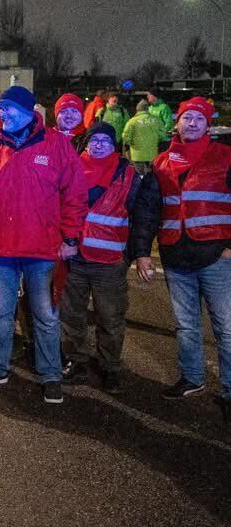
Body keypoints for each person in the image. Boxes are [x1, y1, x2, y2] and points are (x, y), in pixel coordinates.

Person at [0, 86, 87, 404]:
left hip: (42, 247)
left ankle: (50, 375)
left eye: (9, 108)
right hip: (1, 248)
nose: (3, 114)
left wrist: (70, 236)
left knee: (45, 315)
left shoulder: (56, 145)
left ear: (27, 111)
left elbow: (75, 194)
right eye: (1, 109)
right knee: (0, 314)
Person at [132, 97, 231, 412]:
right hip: (176, 256)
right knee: (186, 325)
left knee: (226, 327)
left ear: (207, 125)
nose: (192, 123)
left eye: (198, 119)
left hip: (217, 256)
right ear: (177, 122)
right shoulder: (162, 162)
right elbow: (148, 210)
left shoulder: (225, 157)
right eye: (187, 117)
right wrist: (142, 253)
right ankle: (192, 378)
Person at [59, 122, 141, 393]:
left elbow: (138, 217)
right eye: (94, 140)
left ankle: (110, 368)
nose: (99, 145)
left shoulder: (128, 175)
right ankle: (76, 360)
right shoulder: (72, 168)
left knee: (110, 318)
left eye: (105, 140)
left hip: (109, 261)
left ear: (114, 144)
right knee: (72, 315)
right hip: (75, 257)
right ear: (86, 143)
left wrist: (133, 254)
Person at [122, 99, 165, 176]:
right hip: (152, 154)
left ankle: (140, 186)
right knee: (152, 175)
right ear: (147, 109)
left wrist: (128, 146)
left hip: (137, 154)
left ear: (137, 109)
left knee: (138, 175)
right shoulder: (156, 120)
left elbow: (125, 137)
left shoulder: (132, 121)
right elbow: (163, 135)